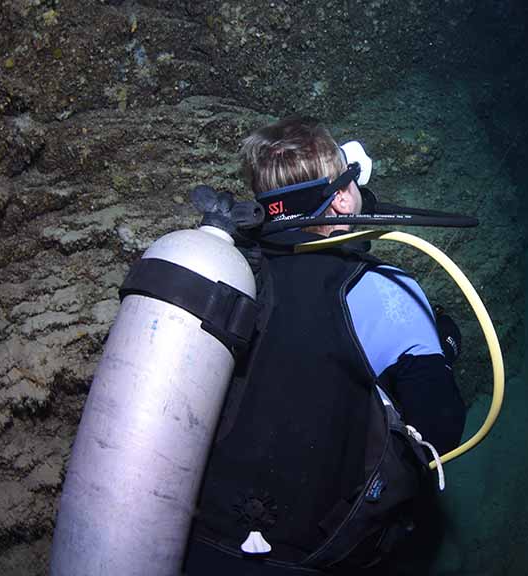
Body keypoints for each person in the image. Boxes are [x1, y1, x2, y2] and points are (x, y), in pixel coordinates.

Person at [184, 116, 466, 574]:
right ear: (339, 198)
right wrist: (443, 351)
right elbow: (441, 428)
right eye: (350, 177)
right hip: (312, 555)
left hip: (195, 543)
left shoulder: (229, 272)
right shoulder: (383, 289)